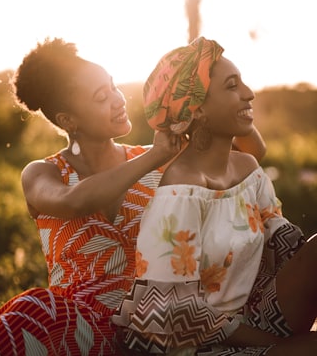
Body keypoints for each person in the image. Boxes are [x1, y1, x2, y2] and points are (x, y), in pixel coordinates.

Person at [0, 38, 266, 356]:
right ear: (68, 120)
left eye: (113, 86)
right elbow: (73, 201)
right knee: (38, 307)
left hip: (149, 330)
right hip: (79, 330)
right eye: (101, 97)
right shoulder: (43, 173)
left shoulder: (168, 162)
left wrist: (199, 80)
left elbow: (250, 152)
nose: (118, 100)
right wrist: (155, 155)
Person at [111, 37, 317, 355]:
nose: (249, 93)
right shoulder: (179, 190)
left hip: (255, 313)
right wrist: (276, 344)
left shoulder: (248, 169)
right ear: (199, 109)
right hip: (188, 343)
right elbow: (175, 312)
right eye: (232, 86)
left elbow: (286, 248)